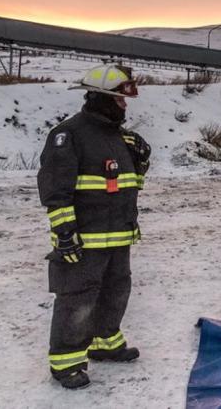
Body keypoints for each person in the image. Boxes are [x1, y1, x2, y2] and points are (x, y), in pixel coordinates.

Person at [37, 64, 151, 390]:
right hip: (85, 239)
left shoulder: (119, 137)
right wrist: (64, 232)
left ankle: (105, 343)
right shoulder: (69, 135)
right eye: (119, 100)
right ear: (102, 98)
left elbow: (127, 185)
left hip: (117, 235)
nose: (124, 106)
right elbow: (56, 190)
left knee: (116, 291)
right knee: (77, 299)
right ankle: (66, 363)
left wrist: (141, 162)